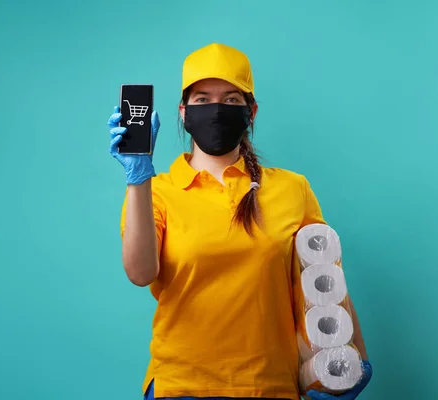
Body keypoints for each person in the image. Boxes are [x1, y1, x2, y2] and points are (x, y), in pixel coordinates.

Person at [107, 43, 373, 400]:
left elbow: (324, 281)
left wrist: (354, 358)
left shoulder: (292, 188)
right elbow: (140, 273)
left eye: (231, 100)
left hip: (271, 386)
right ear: (183, 112)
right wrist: (138, 177)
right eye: (202, 99)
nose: (216, 109)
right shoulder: (158, 191)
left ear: (252, 112)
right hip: (182, 386)